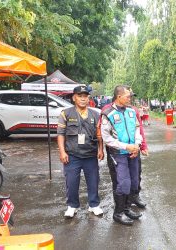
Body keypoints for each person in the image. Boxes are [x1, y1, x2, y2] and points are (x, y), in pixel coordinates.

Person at [57, 86, 104, 218]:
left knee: (93, 181)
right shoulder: (65, 113)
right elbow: (60, 134)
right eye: (80, 96)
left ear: (89, 98)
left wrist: (101, 149)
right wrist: (62, 152)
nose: (83, 99)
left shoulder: (96, 114)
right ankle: (72, 206)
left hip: (90, 154)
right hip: (72, 155)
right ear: (74, 98)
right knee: (71, 181)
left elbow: (100, 135)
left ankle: (94, 205)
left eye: (86, 96)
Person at [101, 85, 143, 225]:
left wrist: (137, 145)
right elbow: (106, 138)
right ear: (119, 97)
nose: (130, 98)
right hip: (118, 153)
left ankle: (126, 209)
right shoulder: (108, 113)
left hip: (133, 152)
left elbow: (137, 130)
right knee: (123, 183)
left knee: (133, 183)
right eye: (127, 96)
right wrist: (126, 146)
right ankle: (118, 213)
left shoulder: (131, 111)